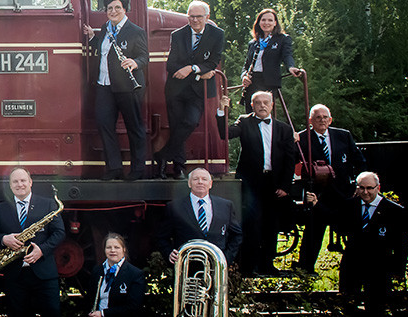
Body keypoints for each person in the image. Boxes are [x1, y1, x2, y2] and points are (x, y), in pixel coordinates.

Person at [305, 172, 405, 317]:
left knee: (377, 309)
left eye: (370, 188)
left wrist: (398, 270)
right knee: (348, 305)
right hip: (352, 264)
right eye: (361, 188)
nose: (365, 192)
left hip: (379, 267)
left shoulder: (394, 211)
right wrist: (317, 204)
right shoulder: (350, 205)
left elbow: (400, 244)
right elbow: (333, 218)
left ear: (378, 188)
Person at [217, 91, 297, 275]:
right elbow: (225, 134)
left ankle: (267, 265)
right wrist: (221, 110)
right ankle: (249, 267)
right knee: (252, 223)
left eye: (265, 102)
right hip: (251, 182)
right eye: (258, 102)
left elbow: (289, 159)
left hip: (274, 183)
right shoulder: (244, 122)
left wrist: (285, 186)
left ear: (272, 105)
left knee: (272, 224)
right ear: (252, 105)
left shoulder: (284, 129)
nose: (262, 105)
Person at [0, 167, 66, 317]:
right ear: (10, 185)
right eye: (15, 181)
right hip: (16, 275)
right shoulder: (1, 208)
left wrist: (42, 250)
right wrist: (4, 239)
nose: (19, 184)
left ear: (30, 182)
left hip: (44, 273)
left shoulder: (48, 204)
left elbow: (60, 233)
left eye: (23, 180)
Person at [82, 0, 148, 181]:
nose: (113, 11)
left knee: (134, 128)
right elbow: (105, 49)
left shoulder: (135, 31)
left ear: (124, 9)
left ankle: (137, 170)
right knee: (104, 124)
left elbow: (144, 57)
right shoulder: (105, 28)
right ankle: (114, 168)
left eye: (117, 7)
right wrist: (92, 37)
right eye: (110, 8)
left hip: (128, 86)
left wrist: (135, 62)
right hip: (104, 85)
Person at [155, 0, 224, 179]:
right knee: (177, 126)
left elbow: (213, 62)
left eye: (198, 17)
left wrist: (191, 69)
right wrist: (199, 71)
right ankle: (179, 168)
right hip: (175, 90)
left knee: (191, 122)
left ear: (207, 17)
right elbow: (171, 65)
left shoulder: (217, 34)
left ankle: (163, 155)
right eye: (191, 17)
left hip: (198, 91)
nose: (194, 20)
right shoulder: (178, 35)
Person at [295, 104, 365, 274]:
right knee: (314, 231)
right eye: (318, 117)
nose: (322, 120)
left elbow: (359, 161)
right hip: (317, 194)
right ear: (310, 121)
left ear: (330, 119)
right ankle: (305, 269)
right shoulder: (302, 138)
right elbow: (293, 164)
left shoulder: (343, 135)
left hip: (343, 192)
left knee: (352, 230)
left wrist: (359, 184)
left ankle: (356, 267)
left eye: (325, 117)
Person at [156, 168, 242, 265]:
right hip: (187, 265)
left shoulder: (226, 206)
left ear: (210, 184)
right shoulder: (174, 207)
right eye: (195, 179)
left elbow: (237, 235)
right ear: (189, 184)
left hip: (216, 266)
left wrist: (227, 258)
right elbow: (161, 237)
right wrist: (169, 253)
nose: (200, 182)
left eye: (204, 179)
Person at [82, 233, 145, 317]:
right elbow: (89, 300)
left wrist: (102, 314)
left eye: (116, 247)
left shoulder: (135, 274)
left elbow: (133, 307)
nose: (112, 250)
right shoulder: (97, 271)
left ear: (124, 249)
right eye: (109, 247)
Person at [241, 8, 302, 113]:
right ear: (259, 22)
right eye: (263, 20)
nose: (266, 23)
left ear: (275, 23)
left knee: (265, 111)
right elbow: (246, 65)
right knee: (250, 113)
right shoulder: (253, 43)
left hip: (269, 82)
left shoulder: (282, 39)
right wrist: (244, 76)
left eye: (270, 20)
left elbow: (287, 55)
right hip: (252, 82)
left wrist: (291, 67)